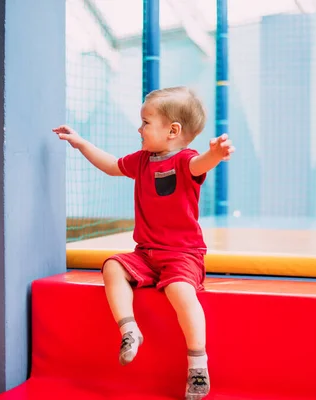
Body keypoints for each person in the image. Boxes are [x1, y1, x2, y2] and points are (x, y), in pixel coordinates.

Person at [53, 86, 234, 399]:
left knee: (180, 290)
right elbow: (111, 165)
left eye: (146, 122)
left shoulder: (185, 161)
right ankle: (129, 330)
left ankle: (198, 365)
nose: (140, 128)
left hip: (182, 256)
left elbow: (200, 164)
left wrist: (215, 155)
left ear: (173, 130)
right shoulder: (141, 160)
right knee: (112, 266)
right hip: (146, 255)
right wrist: (82, 143)